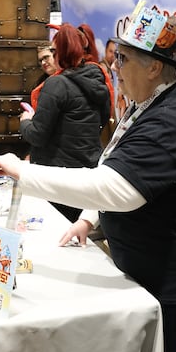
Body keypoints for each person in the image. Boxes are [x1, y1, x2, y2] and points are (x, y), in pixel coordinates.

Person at [0, 3, 176, 352]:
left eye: (123, 59)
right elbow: (115, 164)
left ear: (154, 67)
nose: (116, 67)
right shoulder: (149, 103)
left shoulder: (172, 118)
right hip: (156, 254)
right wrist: (88, 219)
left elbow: (115, 188)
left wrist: (22, 172)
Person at [19, 23, 111, 222]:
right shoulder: (99, 79)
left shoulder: (56, 84)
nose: (49, 58)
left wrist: (25, 121)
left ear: (61, 51)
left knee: (56, 232)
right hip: (88, 171)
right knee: (78, 232)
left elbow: (37, 135)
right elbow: (102, 120)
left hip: (57, 178)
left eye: (53, 51)